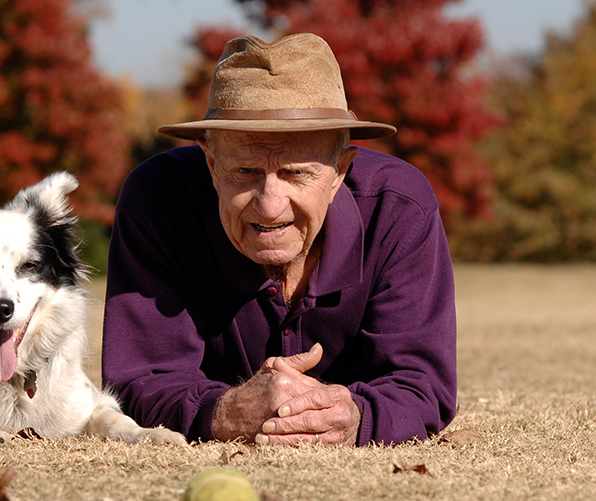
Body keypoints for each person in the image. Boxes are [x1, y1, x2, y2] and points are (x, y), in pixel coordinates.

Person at [101, 33, 457, 446]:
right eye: (245, 172)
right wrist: (226, 413)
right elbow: (140, 381)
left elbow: (422, 385)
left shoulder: (400, 207)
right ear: (212, 164)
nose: (270, 206)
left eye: (296, 173)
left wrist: (355, 417)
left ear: (340, 170)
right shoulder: (157, 202)